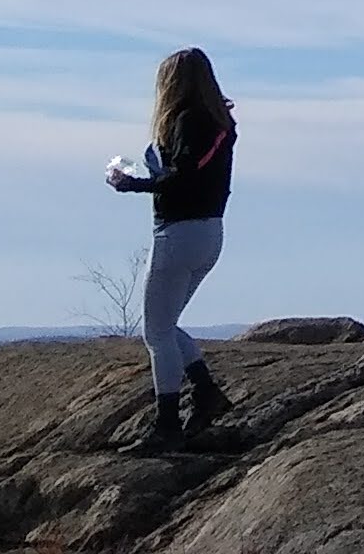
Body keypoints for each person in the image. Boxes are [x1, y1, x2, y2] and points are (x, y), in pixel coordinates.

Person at [105, 47, 237, 446]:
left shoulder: (186, 120)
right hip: (211, 232)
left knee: (156, 334)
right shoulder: (220, 122)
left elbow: (182, 177)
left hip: (177, 234)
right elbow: (196, 174)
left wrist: (133, 184)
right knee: (165, 325)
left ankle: (167, 424)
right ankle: (206, 392)